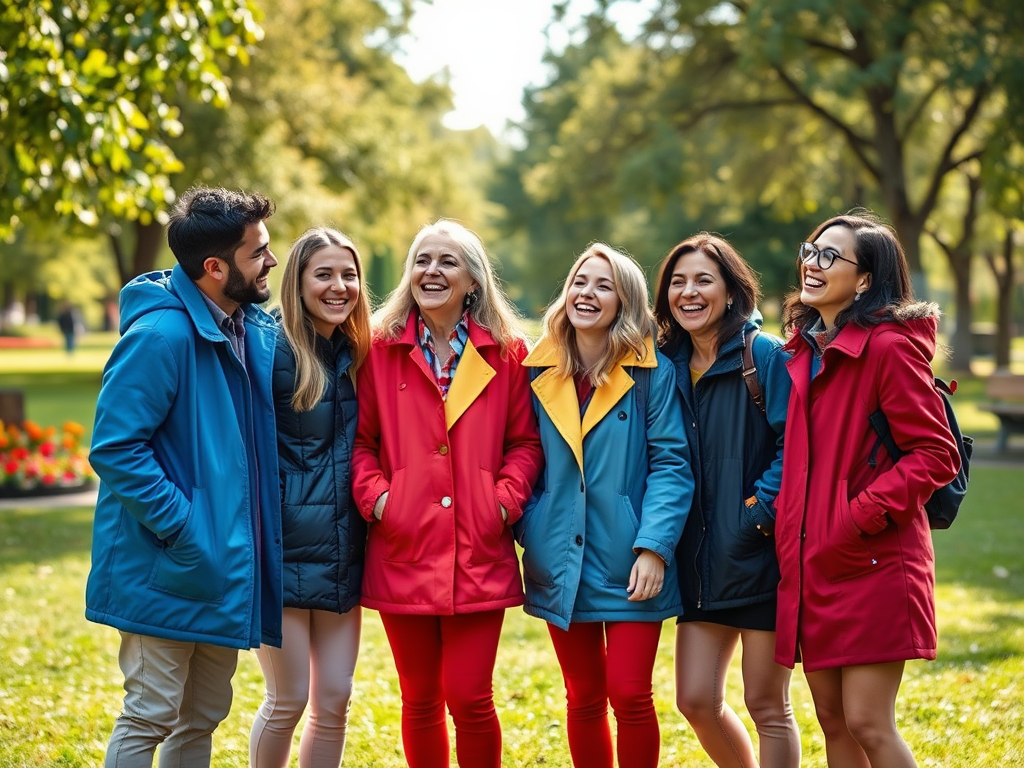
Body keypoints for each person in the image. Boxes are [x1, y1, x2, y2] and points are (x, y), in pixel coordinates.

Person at [85, 185, 283, 768]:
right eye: (258, 253)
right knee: (151, 712)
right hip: (168, 564)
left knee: (202, 715)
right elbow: (116, 448)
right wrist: (186, 527)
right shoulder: (160, 337)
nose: (271, 261)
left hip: (218, 565)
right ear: (216, 268)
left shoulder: (246, 327)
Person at [351, 219, 543, 768]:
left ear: (473, 280)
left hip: (478, 546)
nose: (431, 272)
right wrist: (382, 501)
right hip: (402, 545)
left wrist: (502, 502)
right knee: (420, 700)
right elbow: (361, 444)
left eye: (447, 262)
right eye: (422, 260)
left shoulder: (507, 353)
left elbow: (525, 443)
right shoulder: (380, 350)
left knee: (470, 697)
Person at [774, 212, 961, 768]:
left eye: (831, 256)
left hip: (875, 559)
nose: (812, 263)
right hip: (815, 561)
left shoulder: (887, 348)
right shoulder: (804, 350)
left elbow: (935, 453)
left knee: (868, 722)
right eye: (811, 250)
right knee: (833, 720)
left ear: (864, 280)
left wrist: (858, 516)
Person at [516, 243, 692, 768]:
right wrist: (535, 524)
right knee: (584, 698)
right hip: (559, 558)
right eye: (579, 281)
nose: (586, 294)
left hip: (631, 560)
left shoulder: (650, 371)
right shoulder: (536, 370)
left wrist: (654, 547)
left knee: (631, 695)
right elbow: (523, 455)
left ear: (625, 300)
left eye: (603, 285)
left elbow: (671, 463)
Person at [652, 234, 801, 768]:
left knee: (767, 705)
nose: (688, 293)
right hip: (698, 561)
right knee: (694, 699)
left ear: (732, 290)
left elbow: (797, 447)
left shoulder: (764, 356)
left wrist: (758, 515)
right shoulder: (662, 365)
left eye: (703, 280)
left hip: (761, 558)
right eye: (677, 281)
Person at [249, 228, 372, 768]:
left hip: (345, 551)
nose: (339, 286)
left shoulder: (360, 352)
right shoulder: (269, 349)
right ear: (296, 282)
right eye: (324, 274)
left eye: (349, 274)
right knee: (287, 700)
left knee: (335, 699)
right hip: (283, 552)